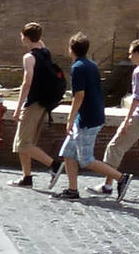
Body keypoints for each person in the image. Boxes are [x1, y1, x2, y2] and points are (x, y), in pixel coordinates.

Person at [56, 34, 122, 201]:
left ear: (71, 49)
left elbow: (79, 95)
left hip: (87, 119)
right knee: (68, 153)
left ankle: (121, 178)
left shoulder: (77, 67)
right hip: (92, 114)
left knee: (86, 160)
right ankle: (72, 190)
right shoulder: (92, 65)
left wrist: (70, 119)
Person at [98, 37, 139, 200]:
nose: (129, 57)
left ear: (136, 53)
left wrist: (127, 121)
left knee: (115, 146)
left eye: (130, 53)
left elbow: (137, 97)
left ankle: (108, 185)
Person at [11, 21, 65, 186]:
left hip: (33, 103)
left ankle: (54, 165)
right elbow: (40, 43)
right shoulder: (45, 52)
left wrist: (18, 108)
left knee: (23, 144)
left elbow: (27, 83)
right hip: (44, 103)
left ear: (25, 37)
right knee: (23, 142)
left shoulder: (29, 57)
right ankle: (26, 177)